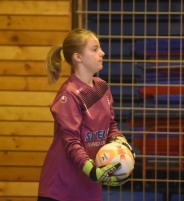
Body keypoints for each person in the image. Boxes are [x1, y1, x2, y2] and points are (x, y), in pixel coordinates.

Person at [38, 28, 135, 201]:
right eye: (95, 49)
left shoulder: (102, 87)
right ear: (78, 57)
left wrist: (122, 145)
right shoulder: (70, 94)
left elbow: (111, 126)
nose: (102, 53)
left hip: (89, 187)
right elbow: (71, 141)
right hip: (61, 188)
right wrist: (92, 170)